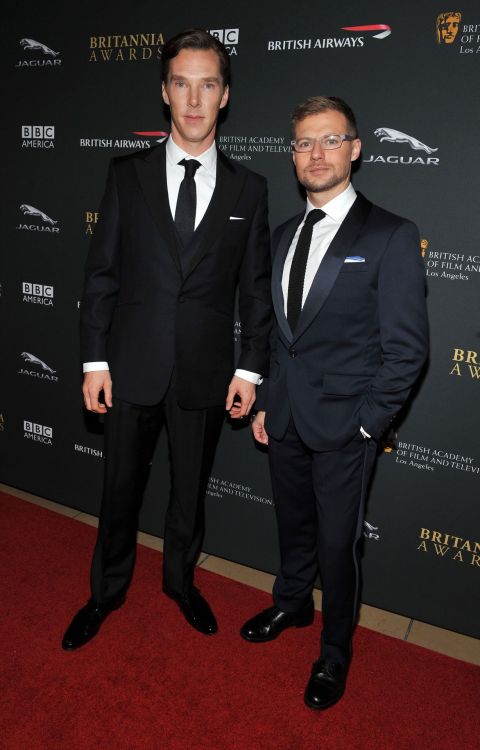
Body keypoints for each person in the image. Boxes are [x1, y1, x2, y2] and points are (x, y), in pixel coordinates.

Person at [62, 29, 271, 650]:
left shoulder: (249, 189)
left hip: (206, 371)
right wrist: (95, 359)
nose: (194, 99)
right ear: (164, 91)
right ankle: (105, 592)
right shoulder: (126, 174)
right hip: (130, 365)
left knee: (189, 494)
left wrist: (251, 369)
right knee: (118, 487)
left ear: (224, 95)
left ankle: (180, 582)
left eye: (207, 84)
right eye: (182, 83)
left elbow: (255, 290)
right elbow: (101, 273)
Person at [240, 96, 428, 710]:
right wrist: (268, 399)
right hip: (286, 416)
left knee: (336, 547)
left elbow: (407, 351)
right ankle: (293, 604)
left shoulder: (390, 235)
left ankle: (334, 651)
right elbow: (275, 335)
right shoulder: (284, 234)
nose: (315, 154)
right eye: (303, 143)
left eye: (329, 140)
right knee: (293, 527)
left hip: (348, 428)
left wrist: (369, 426)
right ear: (292, 155)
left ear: (355, 148)